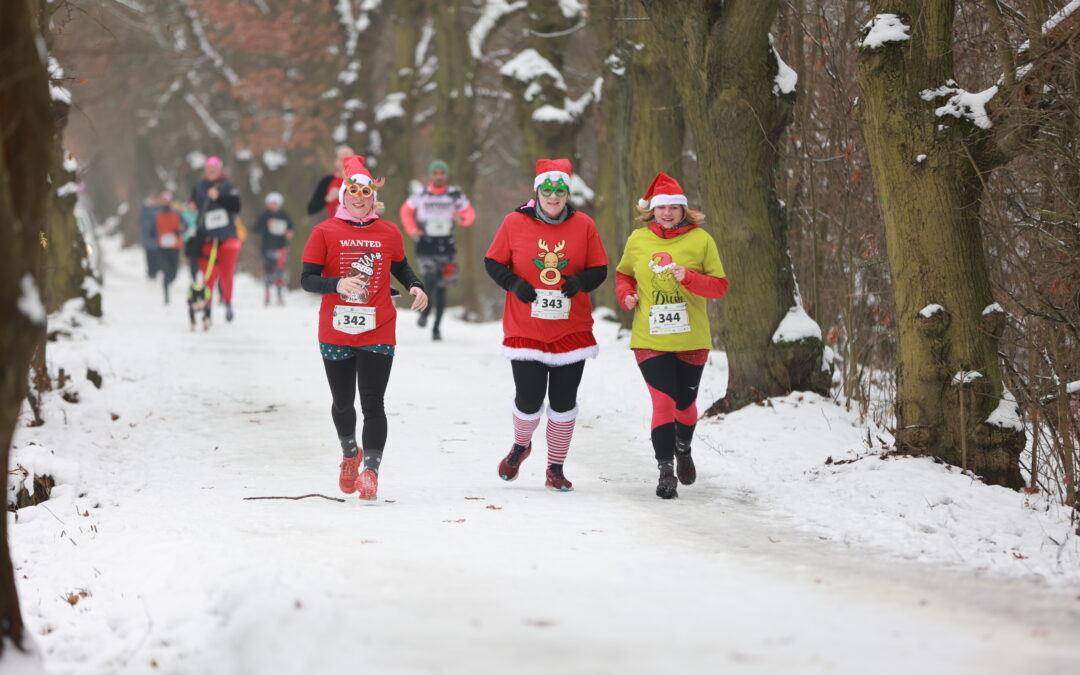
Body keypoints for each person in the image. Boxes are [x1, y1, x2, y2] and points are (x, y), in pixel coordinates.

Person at [301, 155, 428, 501]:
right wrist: (336, 285)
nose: (360, 197)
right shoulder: (324, 231)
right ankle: (349, 454)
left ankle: (370, 471)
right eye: (353, 192)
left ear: (374, 197)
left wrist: (415, 285)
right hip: (336, 329)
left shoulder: (388, 232)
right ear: (343, 196)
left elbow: (401, 268)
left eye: (366, 192)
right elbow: (307, 279)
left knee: (373, 402)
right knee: (343, 402)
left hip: (378, 327)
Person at [484, 159, 608, 492]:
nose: (554, 197)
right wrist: (513, 283)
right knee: (528, 398)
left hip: (571, 330)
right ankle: (521, 445)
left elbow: (600, 268)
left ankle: (555, 468)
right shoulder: (514, 222)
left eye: (560, 190)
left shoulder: (584, 224)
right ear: (537, 191)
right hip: (526, 329)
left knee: (564, 403)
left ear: (567, 193)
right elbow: (492, 262)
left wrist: (580, 282)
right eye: (548, 190)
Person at [615, 173, 729, 499]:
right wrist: (627, 295)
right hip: (650, 339)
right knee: (663, 403)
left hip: (691, 338)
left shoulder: (701, 240)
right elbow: (624, 274)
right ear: (652, 210)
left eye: (674, 208)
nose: (667, 213)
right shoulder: (638, 239)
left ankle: (684, 448)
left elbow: (719, 286)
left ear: (684, 210)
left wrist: (690, 277)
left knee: (685, 406)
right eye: (661, 207)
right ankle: (666, 471)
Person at [399, 159, 476, 340]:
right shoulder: (421, 194)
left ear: (446, 175)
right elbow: (405, 211)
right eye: (436, 173)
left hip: (446, 245)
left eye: (442, 173)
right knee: (430, 280)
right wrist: (412, 230)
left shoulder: (454, 194)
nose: (439, 176)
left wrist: (461, 218)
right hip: (426, 243)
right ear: (431, 175)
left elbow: (470, 214)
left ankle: (436, 328)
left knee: (442, 288)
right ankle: (426, 313)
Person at [189, 156, 242, 324]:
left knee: (226, 274)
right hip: (206, 237)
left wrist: (218, 197)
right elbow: (193, 203)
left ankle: (228, 303)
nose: (211, 171)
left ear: (220, 169)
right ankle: (207, 306)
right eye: (208, 168)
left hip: (227, 237)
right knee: (208, 275)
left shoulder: (228, 185)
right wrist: (191, 205)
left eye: (214, 168)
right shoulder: (198, 187)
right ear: (205, 170)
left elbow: (236, 207)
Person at [253, 192, 294, 306]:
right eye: (272, 203)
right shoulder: (264, 215)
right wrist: (266, 225)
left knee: (280, 272)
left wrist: (289, 233)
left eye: (276, 203)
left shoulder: (284, 215)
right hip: (267, 247)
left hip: (281, 247)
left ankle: (280, 295)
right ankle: (267, 296)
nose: (274, 205)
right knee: (268, 272)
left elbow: (290, 229)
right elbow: (255, 229)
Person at [307, 145, 353, 219]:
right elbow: (311, 209)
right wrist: (327, 199)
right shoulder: (327, 181)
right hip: (335, 228)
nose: (346, 163)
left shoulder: (360, 181)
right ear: (336, 161)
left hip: (356, 228)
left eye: (349, 160)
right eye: (342, 160)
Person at [154, 191, 183, 305]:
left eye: (167, 200)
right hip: (162, 247)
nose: (165, 202)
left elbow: (181, 227)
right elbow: (153, 229)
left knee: (174, 272)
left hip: (174, 246)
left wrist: (178, 232)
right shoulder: (157, 215)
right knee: (166, 271)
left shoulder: (176, 214)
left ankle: (169, 282)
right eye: (163, 200)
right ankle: (166, 295)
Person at [138, 193, 161, 279]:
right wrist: (149, 228)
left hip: (157, 238)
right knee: (149, 256)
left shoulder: (159, 209)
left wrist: (156, 228)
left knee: (157, 256)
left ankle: (155, 271)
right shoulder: (144, 210)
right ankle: (151, 272)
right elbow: (140, 221)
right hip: (147, 238)